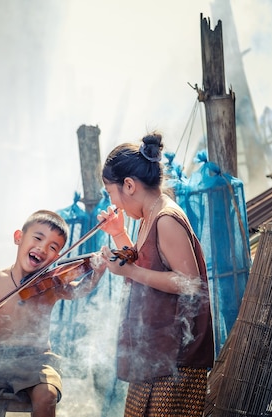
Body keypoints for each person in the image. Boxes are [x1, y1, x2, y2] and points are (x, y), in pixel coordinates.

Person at [0, 209, 105, 417]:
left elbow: (79, 290)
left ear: (57, 256)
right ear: (19, 237)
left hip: (37, 362)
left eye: (53, 247)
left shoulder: (51, 284)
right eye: (38, 238)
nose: (42, 248)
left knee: (46, 396)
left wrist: (97, 272)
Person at [96, 133, 215, 417]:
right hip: (154, 351)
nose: (115, 204)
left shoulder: (166, 219)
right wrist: (118, 233)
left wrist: (132, 271)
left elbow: (189, 283)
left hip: (176, 356)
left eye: (112, 194)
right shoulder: (147, 217)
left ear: (129, 185)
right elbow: (146, 263)